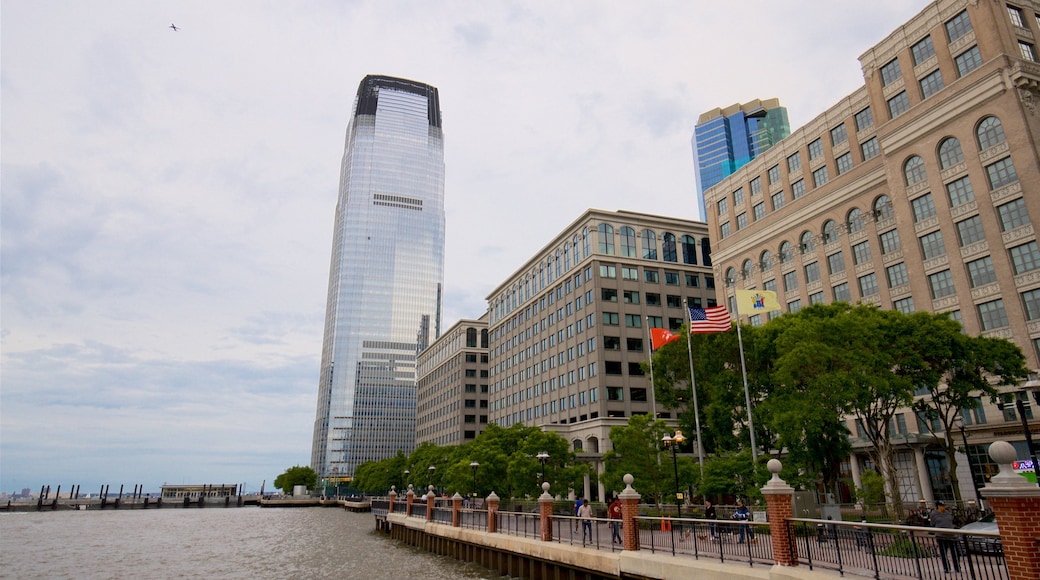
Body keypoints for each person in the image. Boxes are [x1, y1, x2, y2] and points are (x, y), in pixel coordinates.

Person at [930, 501, 960, 573]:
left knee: (955, 552)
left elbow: (951, 520)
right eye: (942, 506)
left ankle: (957, 567)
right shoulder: (934, 514)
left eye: (944, 505)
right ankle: (946, 567)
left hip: (951, 535)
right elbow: (932, 523)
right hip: (941, 536)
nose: (943, 507)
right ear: (938, 506)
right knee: (943, 552)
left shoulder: (947, 513)